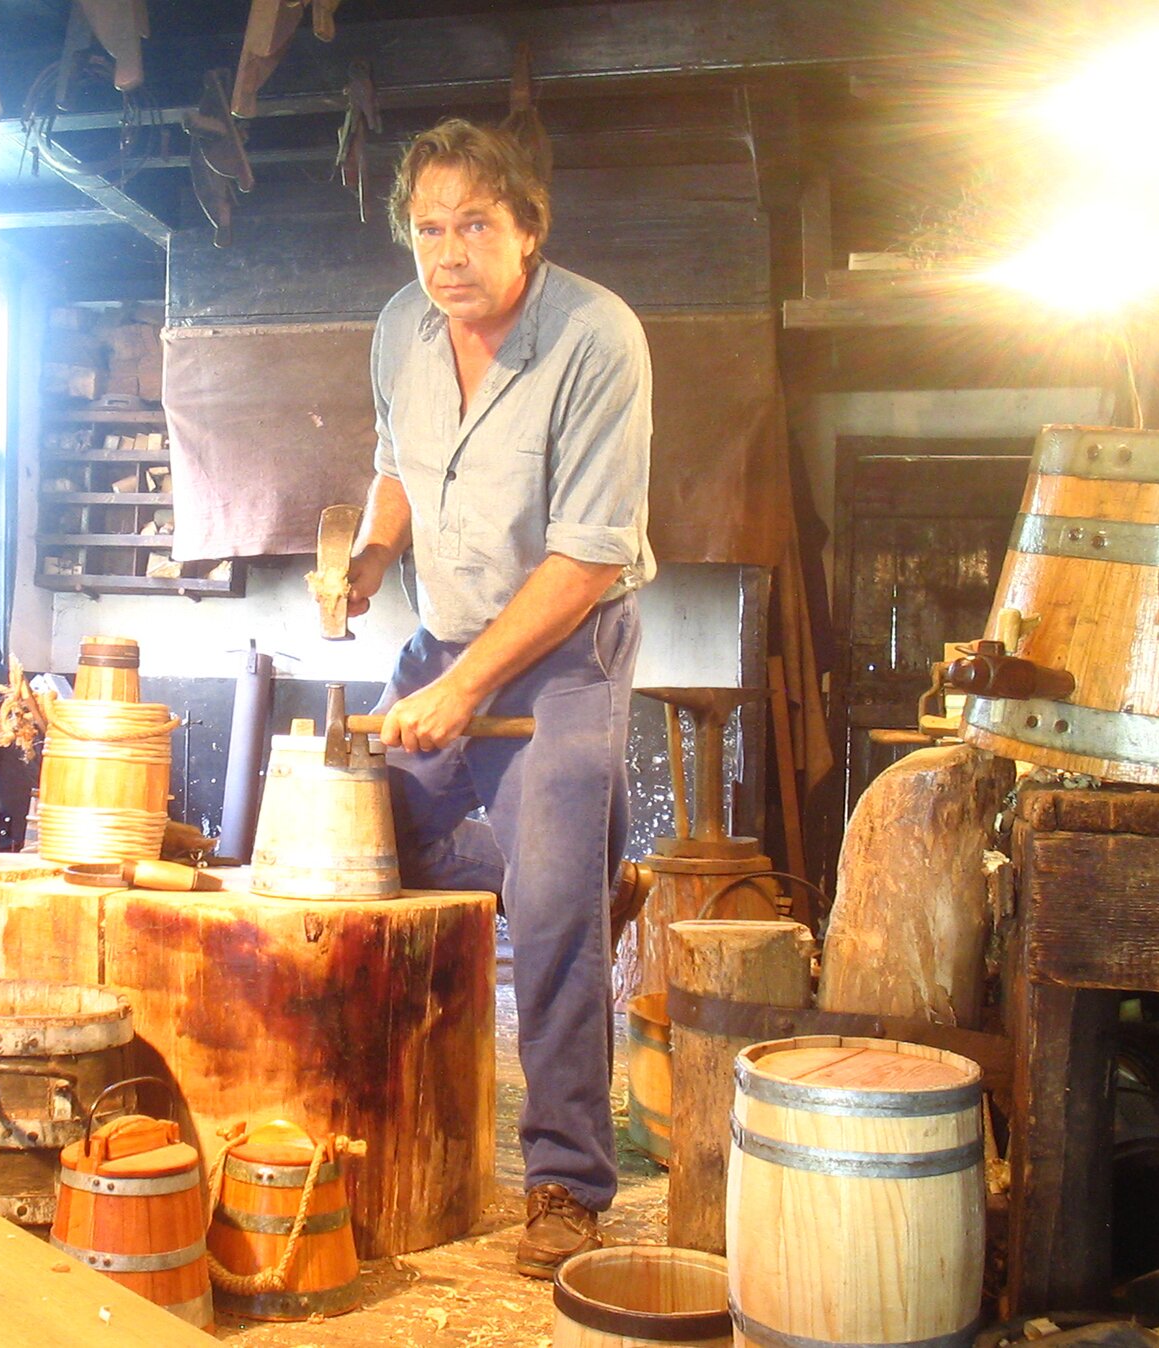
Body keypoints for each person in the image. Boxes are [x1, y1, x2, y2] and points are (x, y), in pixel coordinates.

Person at [342, 118, 654, 1278]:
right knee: (364, 850)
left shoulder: (596, 339)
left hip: (564, 641)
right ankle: (399, 1117)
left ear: (530, 225)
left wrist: (466, 692)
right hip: (444, 633)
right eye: (429, 227)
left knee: (559, 899)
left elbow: (583, 561)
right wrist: (375, 555)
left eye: (475, 222)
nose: (449, 251)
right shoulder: (399, 330)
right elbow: (394, 465)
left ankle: (567, 1182)